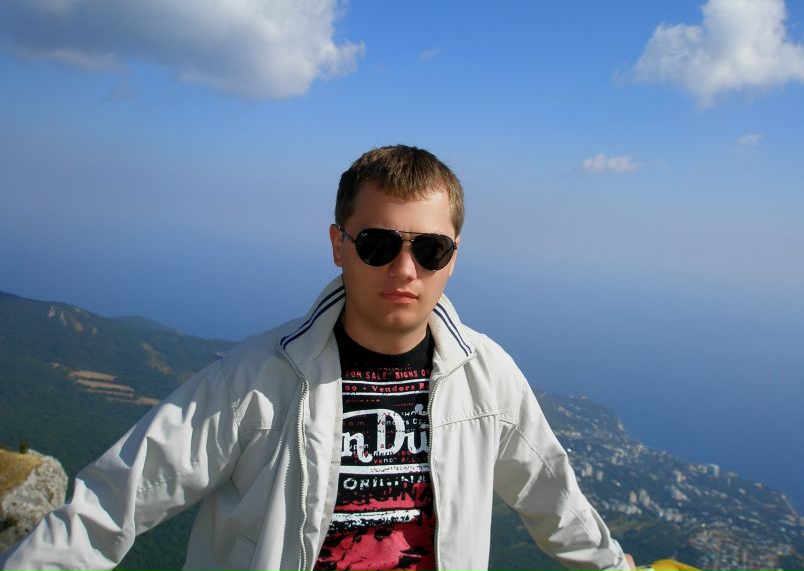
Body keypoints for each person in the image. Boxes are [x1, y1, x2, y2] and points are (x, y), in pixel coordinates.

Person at [1, 145, 634, 571]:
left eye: (430, 249)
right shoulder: (255, 380)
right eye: (379, 244)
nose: (405, 270)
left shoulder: (488, 378)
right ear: (339, 244)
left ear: (454, 257)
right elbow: (111, 503)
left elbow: (554, 500)